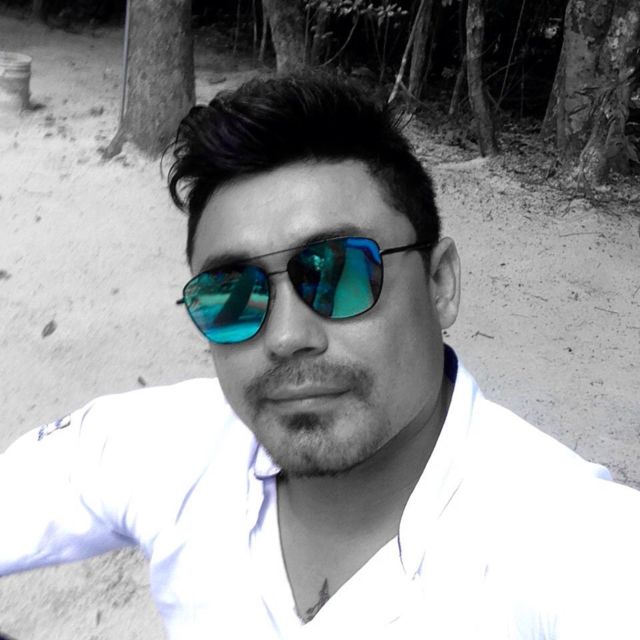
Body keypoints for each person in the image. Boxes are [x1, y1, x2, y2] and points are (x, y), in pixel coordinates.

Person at [1, 73, 639, 640]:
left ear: (440, 284)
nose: (286, 335)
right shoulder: (169, 445)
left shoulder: (573, 546)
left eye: (339, 273)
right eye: (232, 293)